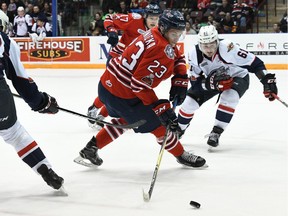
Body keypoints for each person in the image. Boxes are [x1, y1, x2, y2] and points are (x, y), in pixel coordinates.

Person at [76, 10, 207, 168]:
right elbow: (139, 84)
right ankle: (181, 155)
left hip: (106, 86)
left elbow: (176, 53)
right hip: (123, 94)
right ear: (164, 28)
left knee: (125, 120)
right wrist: (161, 108)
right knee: (159, 125)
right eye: (174, 33)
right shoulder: (161, 49)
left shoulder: (154, 32)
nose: (177, 37)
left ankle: (91, 149)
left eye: (180, 33)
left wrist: (180, 77)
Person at [177, 25, 278, 149]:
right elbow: (195, 81)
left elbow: (255, 63)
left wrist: (267, 81)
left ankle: (216, 132)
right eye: (205, 46)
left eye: (212, 45)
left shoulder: (228, 48)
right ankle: (178, 130)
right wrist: (209, 84)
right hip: (212, 81)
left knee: (229, 97)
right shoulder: (193, 54)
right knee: (189, 103)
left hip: (238, 76)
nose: (209, 49)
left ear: (217, 41)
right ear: (199, 44)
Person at [0, 11, 64, 191]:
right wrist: (40, 102)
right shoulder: (5, 41)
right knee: (15, 134)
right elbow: (21, 80)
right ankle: (46, 171)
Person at [87, 3, 162, 130]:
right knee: (110, 88)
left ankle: (100, 116)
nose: (153, 21)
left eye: (156, 18)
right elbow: (109, 18)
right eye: (151, 18)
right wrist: (111, 31)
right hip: (117, 58)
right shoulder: (134, 19)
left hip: (133, 66)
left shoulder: (160, 30)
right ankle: (93, 109)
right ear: (145, 16)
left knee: (120, 93)